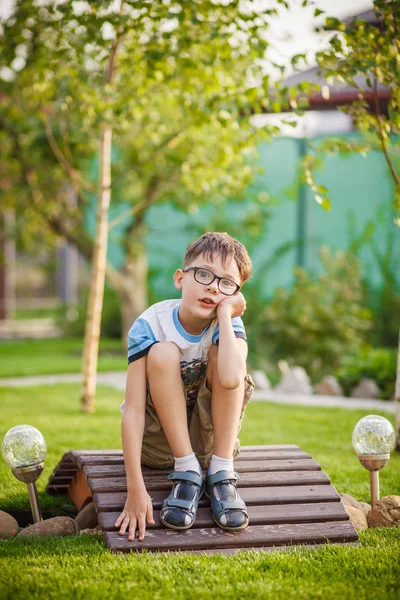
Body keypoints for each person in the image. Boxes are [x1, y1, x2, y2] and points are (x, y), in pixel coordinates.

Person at [114, 232, 254, 542]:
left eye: (226, 283)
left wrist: (225, 314)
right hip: (159, 446)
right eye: (203, 274)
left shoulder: (227, 322)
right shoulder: (150, 325)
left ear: (235, 295)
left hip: (211, 444)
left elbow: (232, 379)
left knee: (227, 356)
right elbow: (134, 410)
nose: (212, 287)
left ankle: (222, 472)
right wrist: (135, 488)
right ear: (180, 278)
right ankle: (187, 470)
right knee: (163, 351)